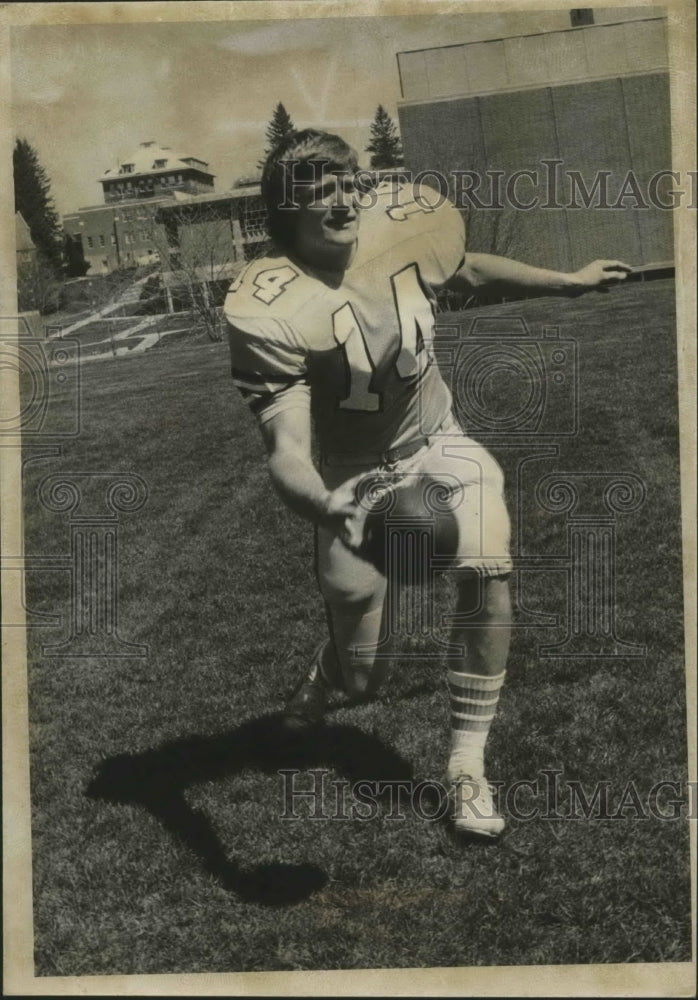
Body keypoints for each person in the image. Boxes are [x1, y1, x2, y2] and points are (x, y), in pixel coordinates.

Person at [224, 129, 631, 839]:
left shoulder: (402, 222)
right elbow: (287, 447)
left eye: (350, 181)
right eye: (320, 188)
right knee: (365, 682)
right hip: (353, 480)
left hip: (439, 442)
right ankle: (325, 680)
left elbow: (465, 267)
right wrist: (324, 502)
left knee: (488, 567)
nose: (344, 197)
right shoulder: (268, 302)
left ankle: (466, 767)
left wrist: (569, 280)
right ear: (285, 208)